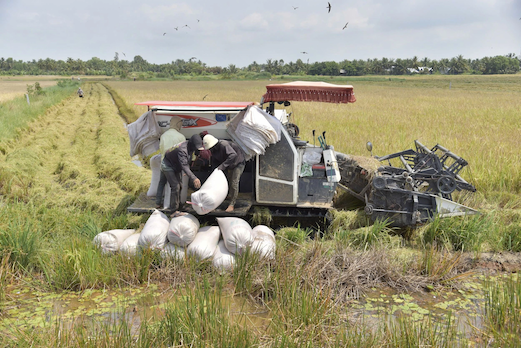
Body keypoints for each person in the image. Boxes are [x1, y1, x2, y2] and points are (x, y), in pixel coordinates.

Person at [161, 134, 204, 216]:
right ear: (192, 144)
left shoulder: (190, 147)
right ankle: (173, 211)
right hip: (168, 165)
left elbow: (186, 162)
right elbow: (184, 165)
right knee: (175, 186)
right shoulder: (183, 150)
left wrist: (186, 171)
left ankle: (180, 206)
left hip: (175, 165)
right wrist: (194, 178)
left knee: (180, 185)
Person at [202, 134, 245, 212]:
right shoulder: (213, 150)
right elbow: (215, 161)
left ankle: (232, 204)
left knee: (234, 183)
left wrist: (223, 166)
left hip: (238, 163)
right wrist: (215, 171)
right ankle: (228, 195)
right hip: (230, 164)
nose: (210, 149)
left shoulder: (223, 145)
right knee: (227, 181)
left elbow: (233, 155)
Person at [155, 116, 185, 209]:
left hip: (164, 163)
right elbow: (182, 153)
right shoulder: (181, 137)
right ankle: (176, 206)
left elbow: (161, 149)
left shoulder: (163, 135)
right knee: (176, 186)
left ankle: (158, 203)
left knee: (161, 183)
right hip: (174, 166)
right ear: (178, 124)